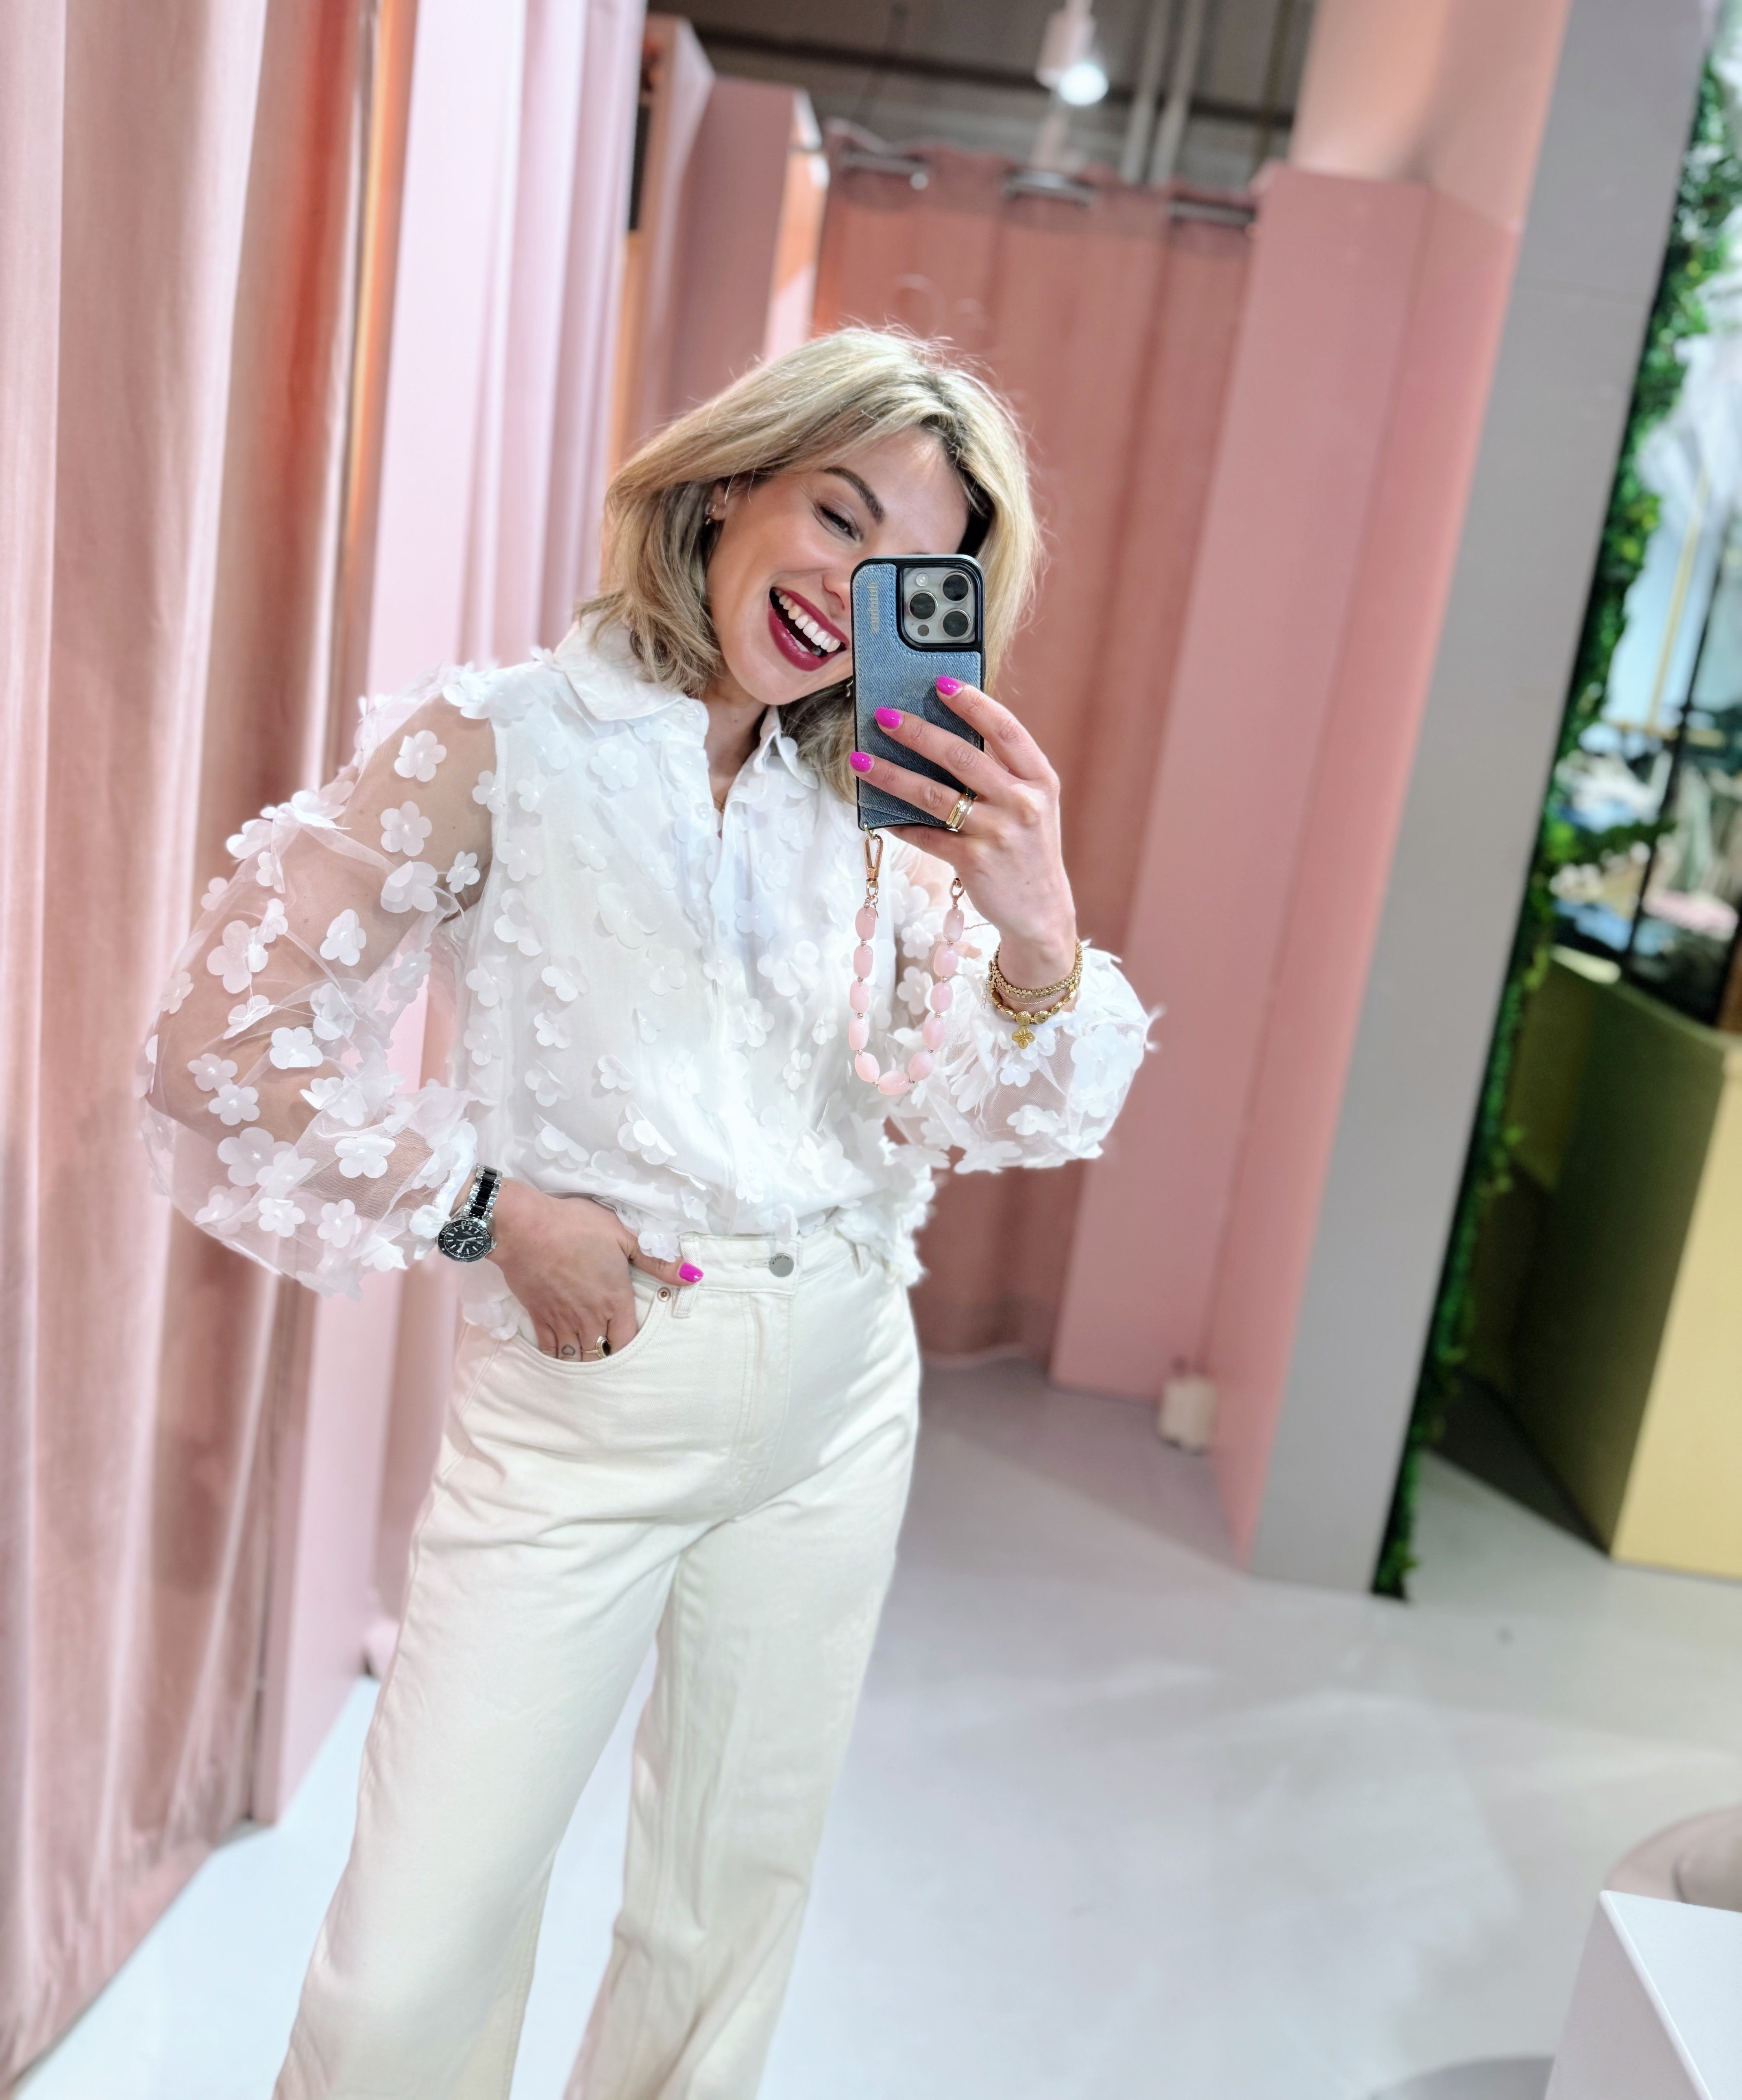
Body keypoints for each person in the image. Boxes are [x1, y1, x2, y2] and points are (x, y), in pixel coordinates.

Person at [140, 329, 1149, 2099]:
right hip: (582, 1406)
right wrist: (485, 1211)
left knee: (719, 1928)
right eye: (835, 515)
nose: (848, 587)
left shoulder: (883, 816)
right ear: (729, 484)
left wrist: (1037, 926)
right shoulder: (504, 740)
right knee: (408, 1969)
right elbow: (221, 1043)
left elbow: (991, 1107)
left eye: (909, 571)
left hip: (838, 1400)